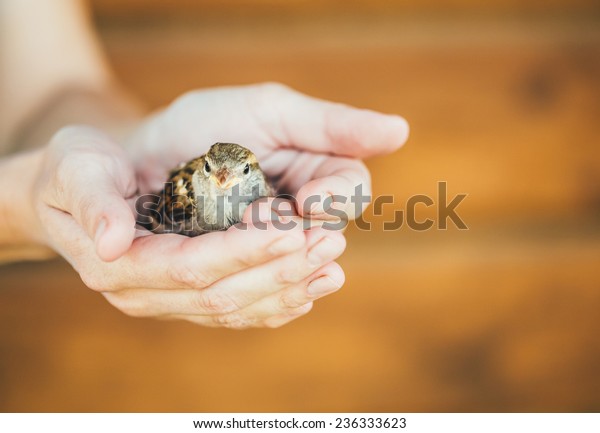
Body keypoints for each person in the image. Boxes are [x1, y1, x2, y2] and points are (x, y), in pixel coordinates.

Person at [0, 0, 409, 328]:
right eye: (214, 172)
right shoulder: (187, 192)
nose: (226, 180)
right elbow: (163, 211)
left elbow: (50, 94)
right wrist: (30, 195)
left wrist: (124, 144)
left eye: (240, 172)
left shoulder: (263, 192)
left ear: (256, 172)